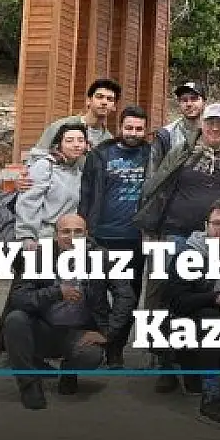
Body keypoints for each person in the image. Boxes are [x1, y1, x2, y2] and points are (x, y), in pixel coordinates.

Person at [133, 102, 220, 394]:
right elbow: (156, 184)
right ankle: (163, 363)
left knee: (201, 295)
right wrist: (150, 228)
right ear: (202, 124)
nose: (215, 128)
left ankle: (192, 360)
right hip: (174, 232)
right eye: (210, 122)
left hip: (214, 239)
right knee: (160, 294)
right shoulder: (183, 150)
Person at [0, 214, 134, 410]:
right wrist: (56, 293)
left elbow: (125, 296)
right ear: (56, 235)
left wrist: (108, 332)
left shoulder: (102, 257)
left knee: (91, 356)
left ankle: (69, 371)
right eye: (66, 232)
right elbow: (18, 297)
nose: (72, 237)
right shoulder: (39, 257)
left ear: (86, 234)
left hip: (79, 332)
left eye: (78, 232)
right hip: (43, 328)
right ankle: (29, 385)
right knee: (15, 320)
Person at [161, 199, 220, 429]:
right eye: (217, 223)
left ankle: (193, 371)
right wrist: (217, 297)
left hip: (209, 328)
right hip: (178, 326)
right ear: (206, 225)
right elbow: (177, 302)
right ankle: (211, 398)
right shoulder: (187, 254)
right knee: (210, 317)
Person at [78, 105, 150, 367]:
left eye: (139, 129)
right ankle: (99, 341)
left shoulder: (152, 155)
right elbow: (85, 194)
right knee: (96, 295)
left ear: (145, 130)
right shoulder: (100, 154)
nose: (133, 133)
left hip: (134, 240)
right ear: (120, 127)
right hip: (101, 237)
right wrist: (84, 230)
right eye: (129, 127)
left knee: (128, 298)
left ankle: (116, 346)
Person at [15, 123, 87, 247]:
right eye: (69, 141)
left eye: (81, 140)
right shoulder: (45, 166)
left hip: (68, 238)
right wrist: (27, 236)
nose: (76, 145)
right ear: (59, 145)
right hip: (44, 237)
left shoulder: (79, 170)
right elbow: (29, 201)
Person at [29, 78, 119, 166]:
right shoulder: (62, 125)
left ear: (114, 106)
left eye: (109, 99)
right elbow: (35, 158)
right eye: (99, 97)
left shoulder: (109, 141)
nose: (104, 102)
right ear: (88, 101)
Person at [150, 81, 206, 174]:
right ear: (179, 103)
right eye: (184, 100)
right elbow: (152, 173)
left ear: (204, 102)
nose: (189, 104)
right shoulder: (166, 135)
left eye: (194, 99)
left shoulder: (213, 133)